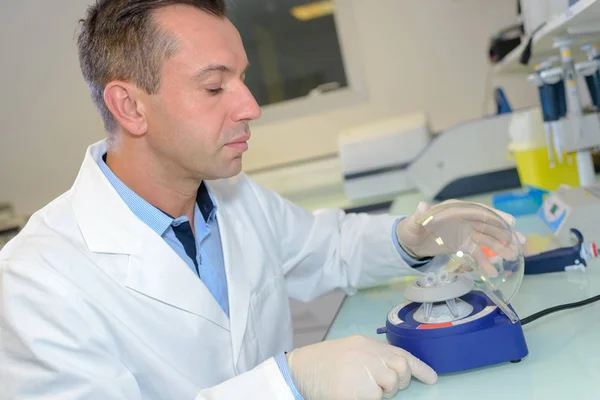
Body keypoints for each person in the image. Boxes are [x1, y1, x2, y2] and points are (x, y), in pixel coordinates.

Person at [0, 1, 523, 399]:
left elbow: (327, 247)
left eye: (243, 79)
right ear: (130, 107)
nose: (250, 106)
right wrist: (287, 382)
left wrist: (411, 236)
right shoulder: (35, 279)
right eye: (214, 87)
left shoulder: (231, 195)